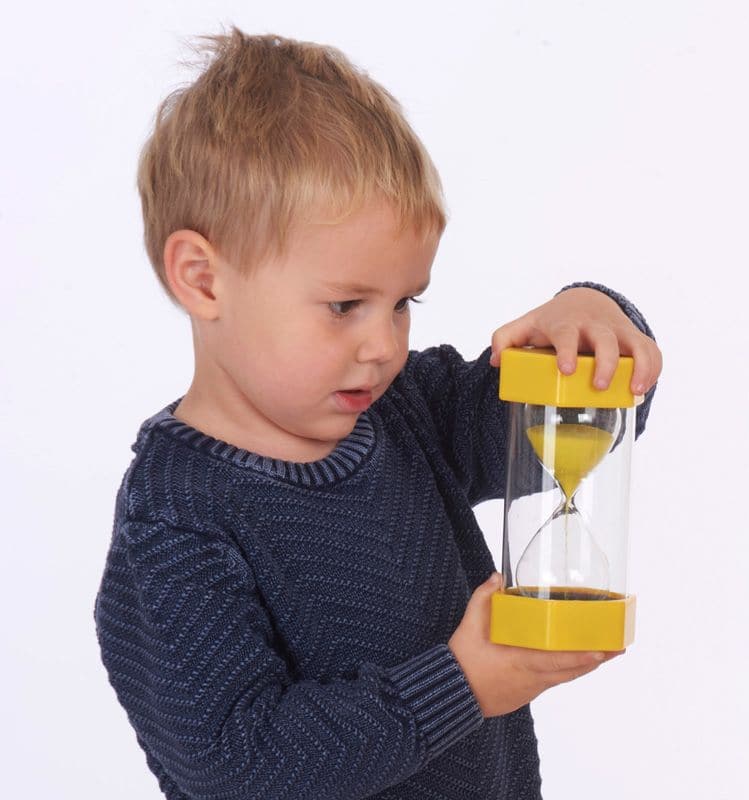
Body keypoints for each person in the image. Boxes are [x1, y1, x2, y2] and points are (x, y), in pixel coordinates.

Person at [94, 27, 661, 800]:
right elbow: (236, 767)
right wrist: (460, 684)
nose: (382, 345)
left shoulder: (406, 412)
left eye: (403, 304)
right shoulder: (176, 517)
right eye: (345, 306)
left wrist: (592, 315)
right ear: (203, 279)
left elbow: (565, 415)